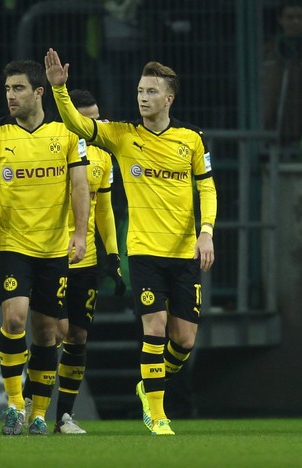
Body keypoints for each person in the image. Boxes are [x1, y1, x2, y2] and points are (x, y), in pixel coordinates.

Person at [45, 48, 217, 435]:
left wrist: (205, 232)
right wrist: (60, 90)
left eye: (151, 91)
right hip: (142, 252)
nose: (142, 97)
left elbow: (207, 190)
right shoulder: (122, 136)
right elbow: (75, 124)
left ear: (168, 98)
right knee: (153, 328)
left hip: (185, 251)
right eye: (140, 90)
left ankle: (148, 384)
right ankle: (157, 414)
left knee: (184, 340)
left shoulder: (192, 140)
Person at [0, 60, 91, 436]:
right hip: (13, 245)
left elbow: (80, 187)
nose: (10, 96)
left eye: (17, 89)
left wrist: (79, 234)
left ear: (38, 93)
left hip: (53, 249)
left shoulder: (66, 133)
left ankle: (39, 413)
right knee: (14, 318)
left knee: (48, 332)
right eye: (6, 89)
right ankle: (16, 404)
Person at [21, 89, 125, 434]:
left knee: (78, 335)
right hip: (52, 255)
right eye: (88, 118)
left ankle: (64, 415)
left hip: (87, 261)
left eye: (98, 117)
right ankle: (29, 397)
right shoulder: (53, 149)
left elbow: (105, 209)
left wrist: (113, 254)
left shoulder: (104, 158)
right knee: (54, 331)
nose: (96, 124)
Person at [261, 0, 302, 158]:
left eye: (299, 17)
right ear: (280, 19)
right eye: (290, 17)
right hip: (274, 124)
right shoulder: (269, 50)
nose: (296, 22)